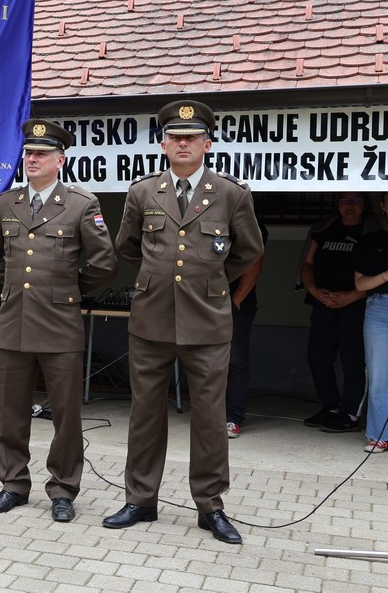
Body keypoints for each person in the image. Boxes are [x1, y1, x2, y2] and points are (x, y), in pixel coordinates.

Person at [105, 100, 263, 544]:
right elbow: (129, 246)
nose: (182, 143)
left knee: (210, 417)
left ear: (207, 144)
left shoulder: (232, 194)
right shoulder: (142, 192)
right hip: (151, 318)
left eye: (191, 138)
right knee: (145, 413)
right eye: (174, 137)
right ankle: (140, 499)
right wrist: (160, 279)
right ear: (162, 144)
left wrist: (209, 280)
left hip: (208, 321)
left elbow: (248, 251)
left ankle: (210, 506)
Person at [0, 119, 117, 522]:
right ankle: (13, 485)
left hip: (59, 324)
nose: (31, 158)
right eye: (28, 152)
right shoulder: (6, 204)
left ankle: (63, 490)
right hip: (14, 321)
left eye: (40, 153)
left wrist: (65, 288)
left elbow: (104, 264)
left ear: (61, 159)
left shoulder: (80, 204)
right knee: (10, 413)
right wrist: (20, 283)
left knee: (66, 414)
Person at [300, 191, 373, 433]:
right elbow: (307, 264)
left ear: (365, 205)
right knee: (318, 358)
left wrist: (351, 296)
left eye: (356, 201)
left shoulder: (371, 231)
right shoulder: (324, 228)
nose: (349, 206)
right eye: (344, 200)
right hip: (323, 303)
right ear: (336, 204)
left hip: (356, 306)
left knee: (353, 361)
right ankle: (330, 407)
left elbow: (378, 274)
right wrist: (315, 290)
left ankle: (351, 414)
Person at [225, 220, 268, 438]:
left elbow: (254, 264)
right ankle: (209, 415)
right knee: (203, 358)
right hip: (203, 298)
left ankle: (232, 417)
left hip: (235, 299)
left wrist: (235, 302)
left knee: (235, 358)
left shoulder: (250, 223)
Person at [353, 192, 388, 454]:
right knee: (378, 376)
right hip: (379, 309)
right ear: (384, 205)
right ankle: (378, 434)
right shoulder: (370, 241)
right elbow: (361, 284)